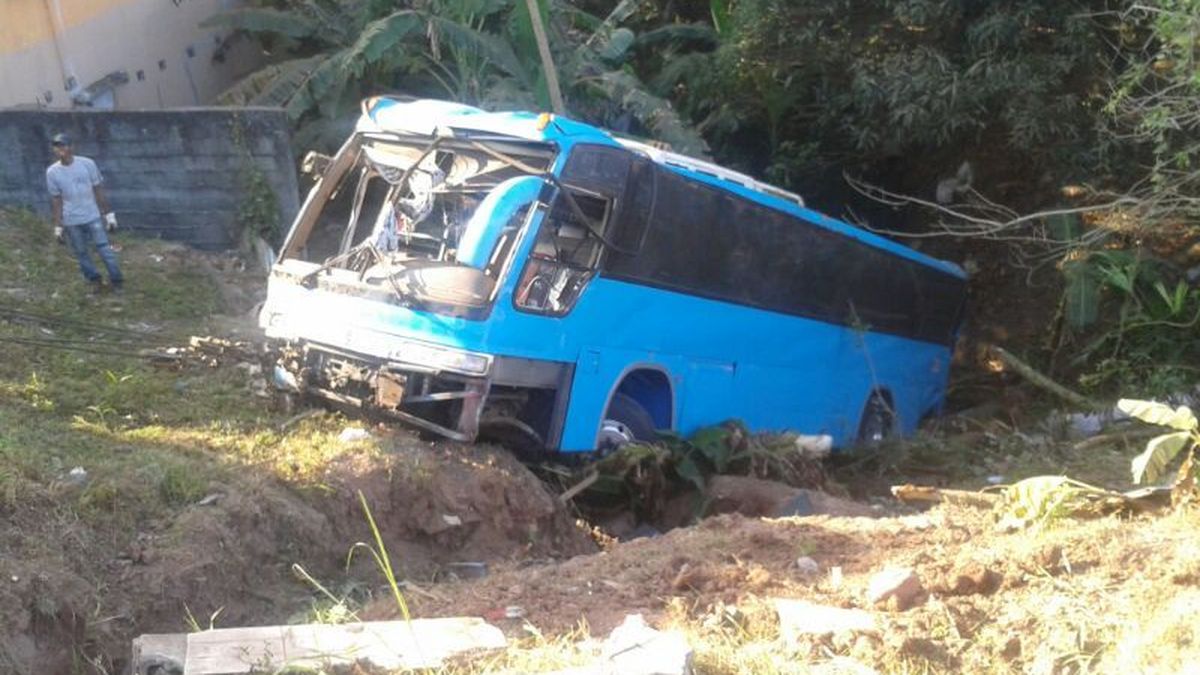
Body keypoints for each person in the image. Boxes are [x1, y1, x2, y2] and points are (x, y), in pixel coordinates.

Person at [46, 133, 124, 291]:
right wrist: (58, 226)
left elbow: (98, 189)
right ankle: (94, 280)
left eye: (64, 145)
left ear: (72, 147)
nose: (61, 150)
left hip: (92, 216)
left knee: (104, 249)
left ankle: (117, 281)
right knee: (81, 252)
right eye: (57, 147)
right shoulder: (52, 172)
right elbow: (56, 200)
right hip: (71, 220)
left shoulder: (87, 164)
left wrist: (109, 215)